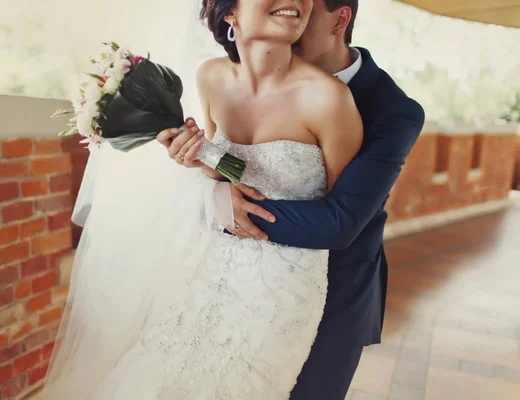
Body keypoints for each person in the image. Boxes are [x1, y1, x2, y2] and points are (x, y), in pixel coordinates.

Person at [44, 0, 364, 399]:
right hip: (209, 268)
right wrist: (196, 160)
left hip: (284, 288)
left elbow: (342, 213)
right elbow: (229, 172)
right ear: (229, 12)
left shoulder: (331, 99)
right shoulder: (210, 77)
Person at [158, 0, 425, 399]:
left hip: (331, 291)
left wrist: (226, 212)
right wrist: (203, 171)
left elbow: (340, 222)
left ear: (340, 19)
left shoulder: (392, 110)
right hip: (229, 279)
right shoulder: (224, 76)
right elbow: (235, 169)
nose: (291, 10)